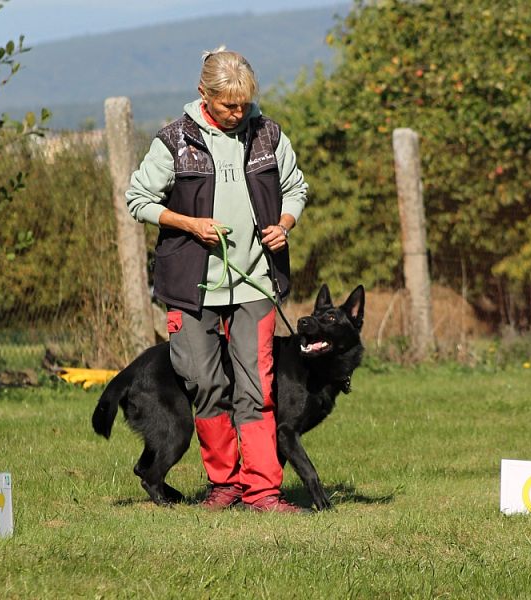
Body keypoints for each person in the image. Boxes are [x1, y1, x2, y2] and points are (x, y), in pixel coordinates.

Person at [126, 47, 307, 512]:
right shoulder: (173, 141)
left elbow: (295, 187)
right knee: (205, 384)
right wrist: (189, 224)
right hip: (191, 286)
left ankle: (263, 491)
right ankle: (224, 484)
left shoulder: (268, 134)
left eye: (244, 104)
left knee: (257, 388)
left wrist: (284, 224)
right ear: (203, 94)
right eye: (228, 105)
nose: (237, 113)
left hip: (256, 284)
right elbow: (138, 199)